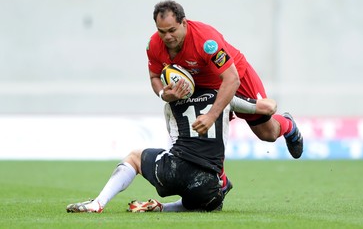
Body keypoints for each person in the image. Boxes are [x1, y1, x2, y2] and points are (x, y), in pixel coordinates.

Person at [66, 88, 277, 213]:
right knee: (206, 194)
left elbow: (173, 139)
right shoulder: (224, 97)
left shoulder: (170, 105)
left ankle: (98, 203)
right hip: (208, 187)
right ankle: (168, 207)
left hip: (173, 171)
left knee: (134, 157)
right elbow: (268, 108)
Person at [147, 0, 303, 161]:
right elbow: (154, 76)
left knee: (268, 134)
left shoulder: (206, 41)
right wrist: (163, 94)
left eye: (172, 30)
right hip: (201, 87)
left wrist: (212, 115)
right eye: (162, 31)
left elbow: (231, 79)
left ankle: (288, 125)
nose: (167, 37)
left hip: (237, 78)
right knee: (204, 137)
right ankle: (218, 181)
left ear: (184, 23)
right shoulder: (153, 45)